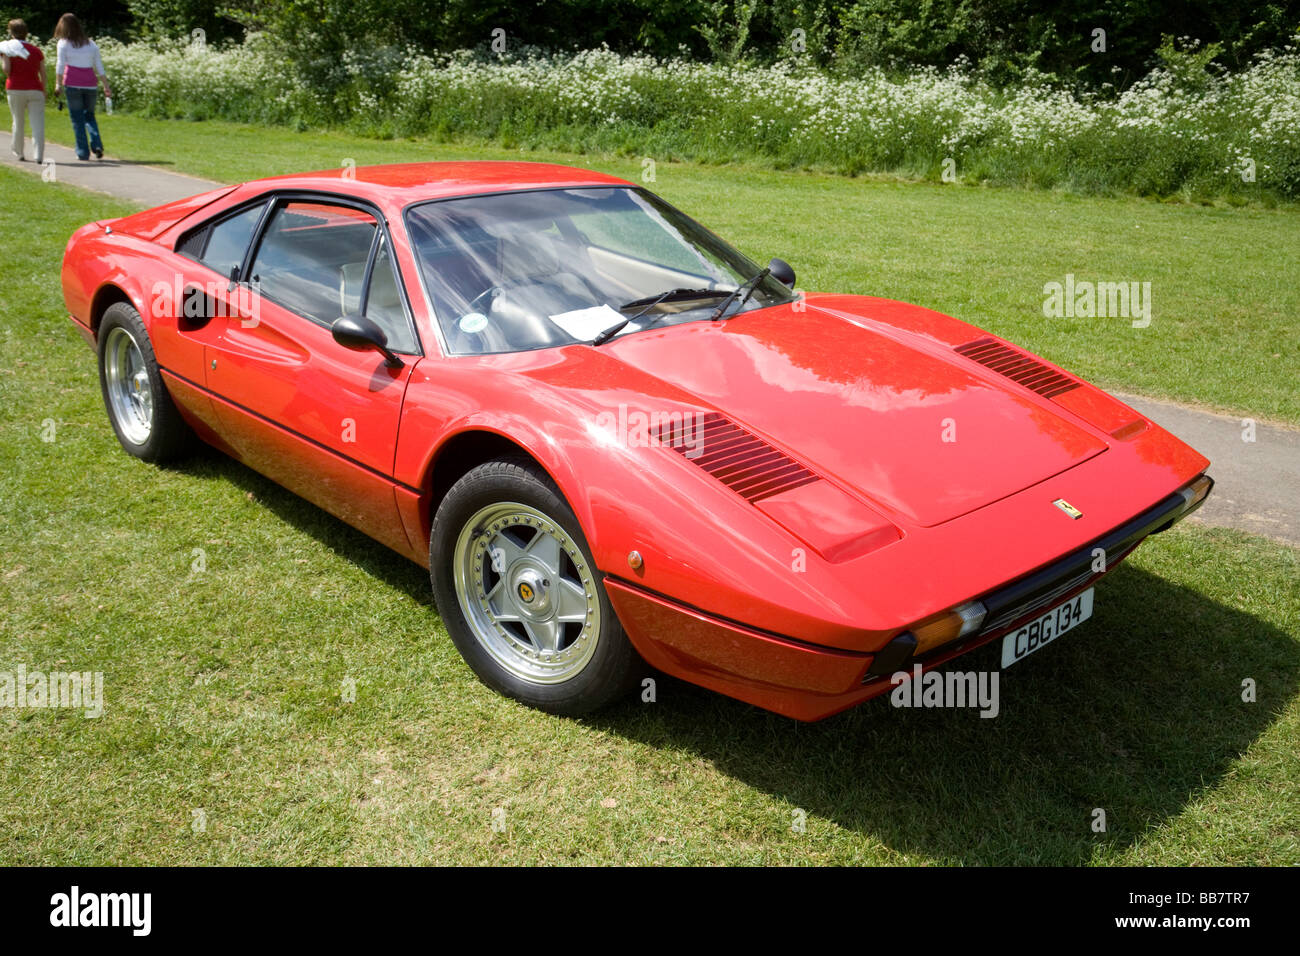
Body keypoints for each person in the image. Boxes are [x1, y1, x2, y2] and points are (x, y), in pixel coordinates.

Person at [53, 12, 111, 161]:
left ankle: (83, 152)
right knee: (89, 116)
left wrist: (58, 84)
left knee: (77, 119)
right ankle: (97, 145)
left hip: (72, 84)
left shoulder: (63, 43)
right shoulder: (91, 43)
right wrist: (106, 86)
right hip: (90, 85)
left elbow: (60, 65)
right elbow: (99, 66)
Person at [2, 19, 46, 163]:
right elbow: (43, 74)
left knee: (18, 121)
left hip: (15, 88)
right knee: (37, 123)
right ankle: (39, 154)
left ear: (11, 32)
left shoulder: (8, 50)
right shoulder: (36, 50)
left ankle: (19, 152)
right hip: (35, 89)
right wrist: (43, 89)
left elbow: (6, 70)